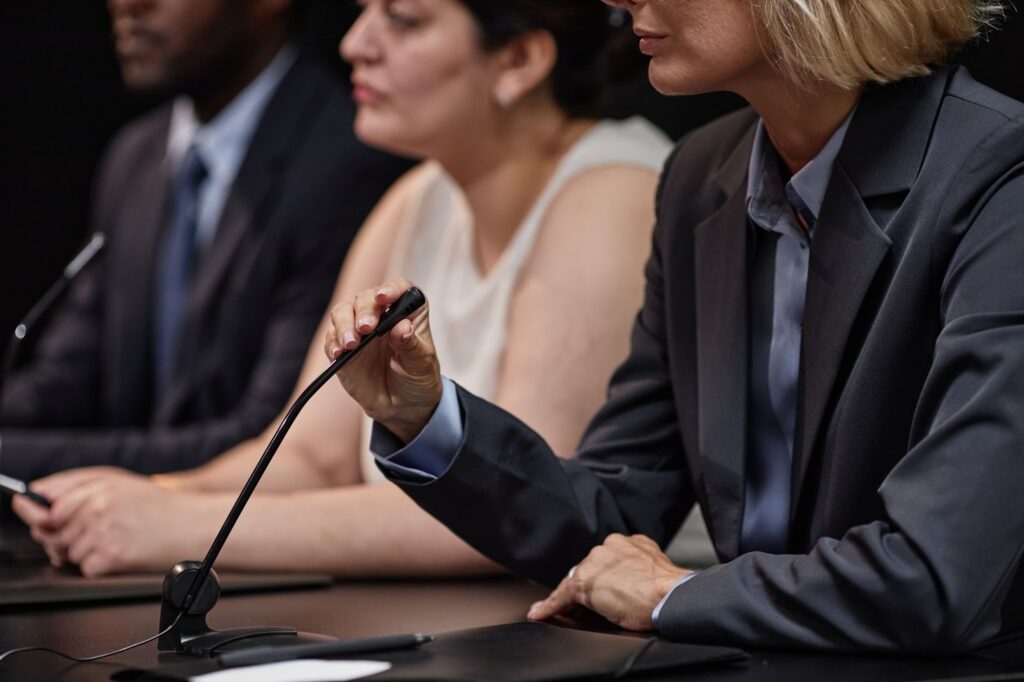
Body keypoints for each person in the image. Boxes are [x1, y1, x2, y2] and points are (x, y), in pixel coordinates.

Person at [320, 0, 1024, 654]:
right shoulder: (700, 175)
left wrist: (674, 593)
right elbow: (615, 511)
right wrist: (426, 417)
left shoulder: (999, 176)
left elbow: (937, 575)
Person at [12, 0, 672, 578]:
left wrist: (180, 526)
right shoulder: (417, 197)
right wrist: (137, 495)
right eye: (361, 12)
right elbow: (314, 454)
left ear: (519, 58)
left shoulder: (610, 194)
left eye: (403, 18)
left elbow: (517, 509)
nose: (355, 44)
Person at [0, 0, 408, 480]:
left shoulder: (350, 158)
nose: (127, 5)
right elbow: (65, 378)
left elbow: (269, 435)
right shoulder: (134, 157)